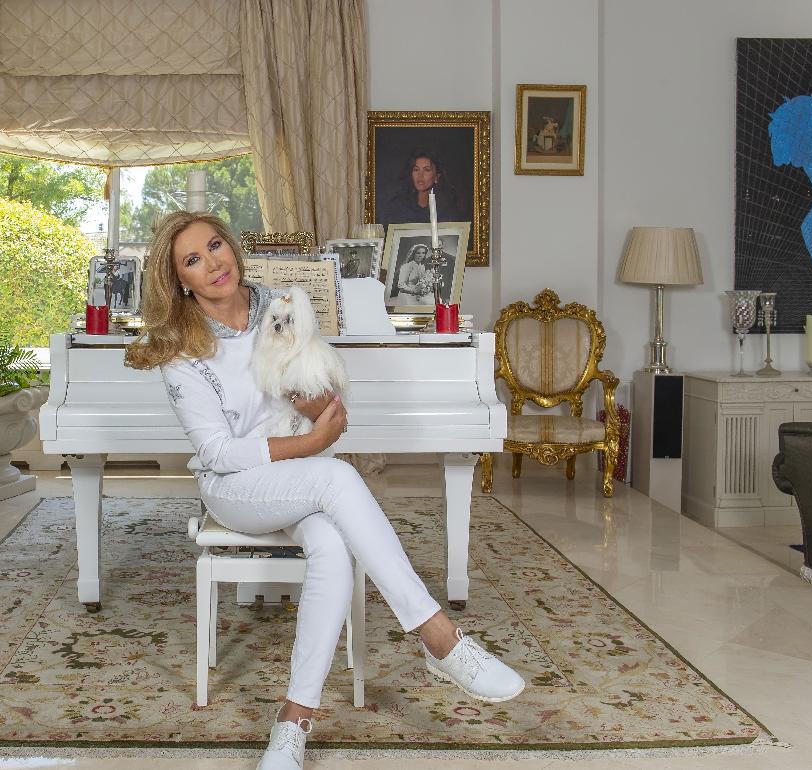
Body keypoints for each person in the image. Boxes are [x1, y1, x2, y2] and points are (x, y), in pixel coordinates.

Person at [126, 211, 524, 770]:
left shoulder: (282, 307)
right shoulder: (180, 350)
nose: (213, 263)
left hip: (297, 477)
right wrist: (311, 443)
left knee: (334, 544)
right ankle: (439, 636)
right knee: (337, 476)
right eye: (193, 259)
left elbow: (325, 399)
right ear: (180, 281)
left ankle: (294, 720)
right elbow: (217, 452)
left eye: (215, 245)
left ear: (231, 246)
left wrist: (313, 409)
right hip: (235, 487)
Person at [380, 149, 464, 227]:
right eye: (416, 170)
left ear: (436, 177)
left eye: (427, 170)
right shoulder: (397, 207)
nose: (420, 175)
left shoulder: (447, 211)